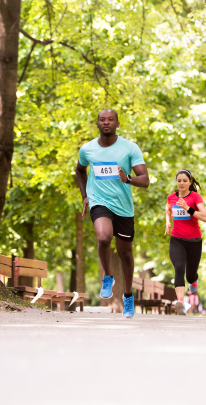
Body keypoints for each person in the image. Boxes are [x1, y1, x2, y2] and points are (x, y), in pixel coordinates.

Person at [75, 109, 149, 318]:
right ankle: (108, 276)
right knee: (104, 237)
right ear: (97, 124)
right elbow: (80, 170)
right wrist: (85, 196)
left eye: (110, 120)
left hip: (123, 206)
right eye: (102, 120)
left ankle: (127, 296)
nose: (106, 122)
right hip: (99, 202)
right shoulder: (87, 149)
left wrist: (128, 179)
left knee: (125, 253)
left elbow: (145, 179)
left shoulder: (129, 148)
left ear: (117, 124)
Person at [164, 169, 206, 315]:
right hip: (176, 238)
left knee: (190, 274)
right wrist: (167, 222)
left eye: (184, 181)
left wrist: (188, 208)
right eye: (179, 180)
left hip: (194, 240)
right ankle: (181, 302)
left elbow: (204, 217)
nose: (181, 183)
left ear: (190, 182)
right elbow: (168, 209)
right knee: (178, 267)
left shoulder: (195, 197)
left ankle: (193, 280)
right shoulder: (171, 197)